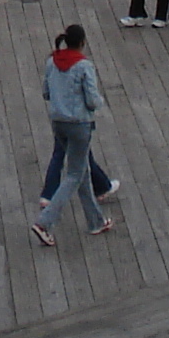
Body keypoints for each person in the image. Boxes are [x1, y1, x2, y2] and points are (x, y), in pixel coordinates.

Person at [30, 24, 111, 247]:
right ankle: (45, 223)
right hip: (79, 124)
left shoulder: (51, 62)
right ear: (82, 42)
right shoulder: (84, 66)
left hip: (58, 122)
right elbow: (92, 100)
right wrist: (101, 103)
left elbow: (46, 92)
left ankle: (96, 221)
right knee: (74, 175)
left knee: (81, 170)